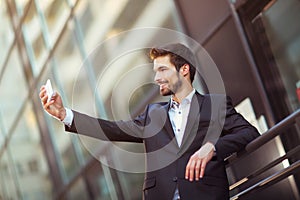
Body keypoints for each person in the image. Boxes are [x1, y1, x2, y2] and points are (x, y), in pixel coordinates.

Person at [40, 43, 260, 200]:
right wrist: (64, 115)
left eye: (162, 69)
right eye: (155, 71)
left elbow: (249, 133)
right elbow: (113, 130)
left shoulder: (215, 105)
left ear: (184, 70)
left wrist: (212, 147)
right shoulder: (153, 113)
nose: (156, 78)